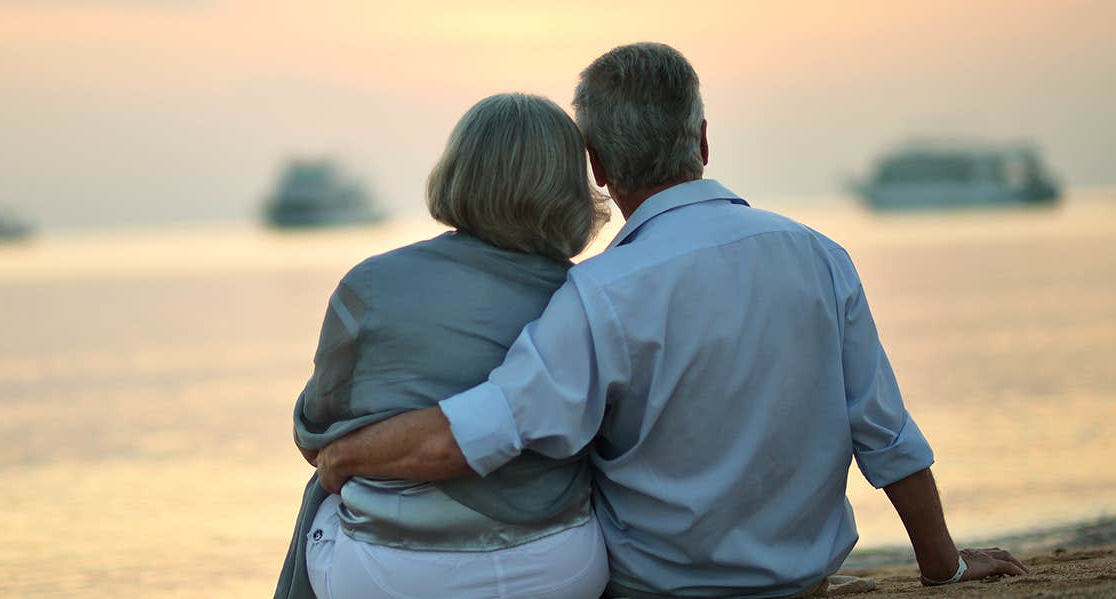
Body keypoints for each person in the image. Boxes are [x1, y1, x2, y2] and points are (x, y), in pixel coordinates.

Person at [313, 43, 1030, 598]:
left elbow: (484, 431)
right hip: (799, 576)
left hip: (660, 585)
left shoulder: (599, 293)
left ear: (597, 167)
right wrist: (945, 564)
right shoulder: (819, 255)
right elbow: (885, 431)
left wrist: (346, 455)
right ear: (704, 139)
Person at [273, 93, 611, 599]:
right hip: (557, 570)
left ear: (457, 171)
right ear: (571, 190)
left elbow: (311, 438)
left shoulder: (369, 286)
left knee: (321, 496)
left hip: (391, 576)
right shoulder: (588, 296)